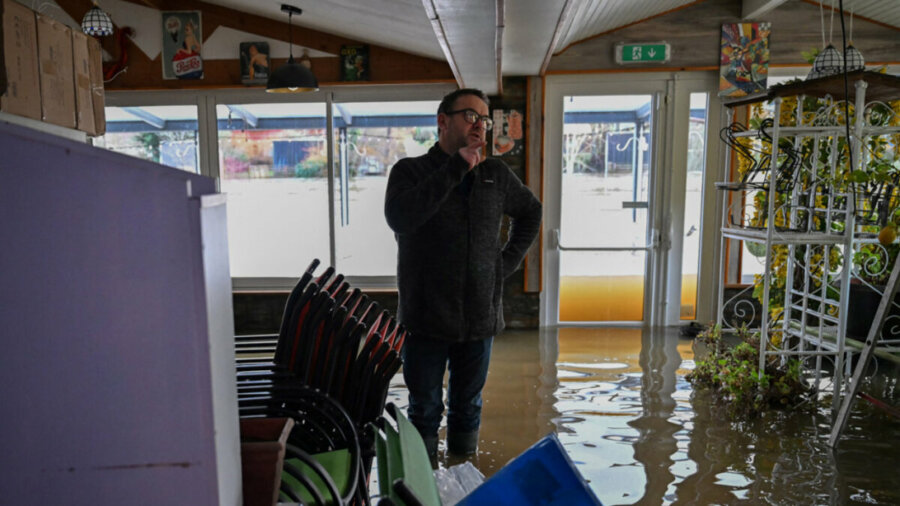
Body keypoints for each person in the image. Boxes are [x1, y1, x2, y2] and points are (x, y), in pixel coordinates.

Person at [384, 89, 542, 457]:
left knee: (467, 407)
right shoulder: (410, 171)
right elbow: (402, 219)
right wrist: (458, 164)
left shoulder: (496, 174)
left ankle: (462, 478)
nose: (480, 126)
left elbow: (531, 212)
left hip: (479, 316)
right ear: (443, 120)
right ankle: (425, 490)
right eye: (471, 116)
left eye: (484, 120)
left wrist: (504, 264)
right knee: (424, 409)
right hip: (425, 317)